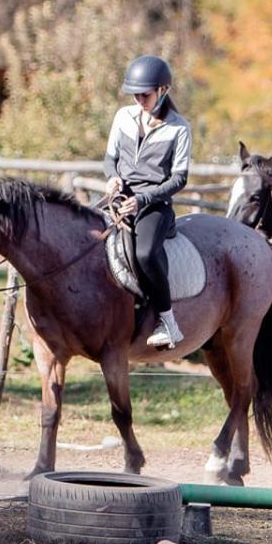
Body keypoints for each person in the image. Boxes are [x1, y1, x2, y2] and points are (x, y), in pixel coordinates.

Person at [104, 54, 193, 348]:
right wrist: (112, 177)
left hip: (155, 205)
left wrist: (142, 200)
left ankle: (167, 320)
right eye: (135, 94)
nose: (139, 99)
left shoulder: (179, 129)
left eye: (145, 94)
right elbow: (110, 159)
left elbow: (179, 179)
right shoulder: (123, 117)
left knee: (145, 254)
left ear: (162, 91)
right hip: (119, 197)